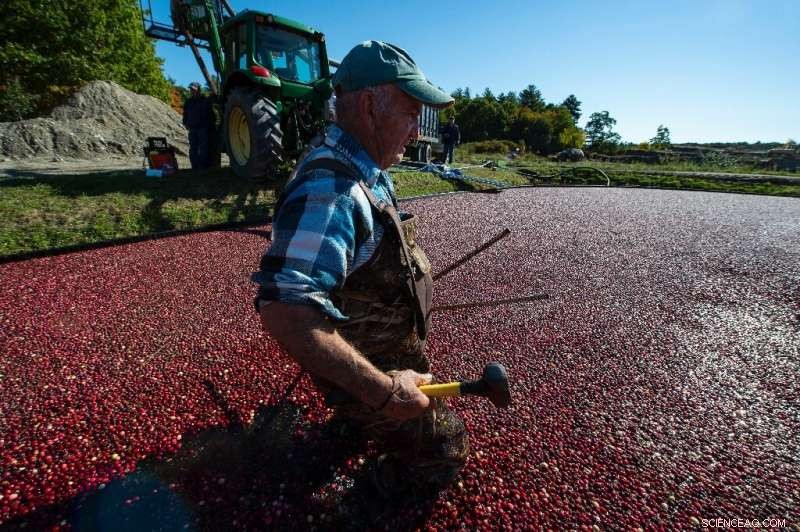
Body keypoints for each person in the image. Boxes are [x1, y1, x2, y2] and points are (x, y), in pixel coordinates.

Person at [252, 40, 469, 496]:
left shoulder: (366, 165)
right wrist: (382, 392)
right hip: (372, 368)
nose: (417, 132)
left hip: (388, 351)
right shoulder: (331, 191)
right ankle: (358, 501)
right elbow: (285, 307)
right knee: (442, 454)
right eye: (411, 114)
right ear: (370, 105)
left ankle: (355, 420)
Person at [182, 82, 214, 170]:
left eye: (193, 89)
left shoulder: (205, 100)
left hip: (203, 128)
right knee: (193, 148)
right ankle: (194, 167)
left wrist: (209, 125)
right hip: (192, 128)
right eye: (191, 89)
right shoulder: (188, 102)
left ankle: (203, 167)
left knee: (203, 148)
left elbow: (211, 114)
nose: (192, 91)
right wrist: (185, 123)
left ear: (198, 89)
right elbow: (185, 114)